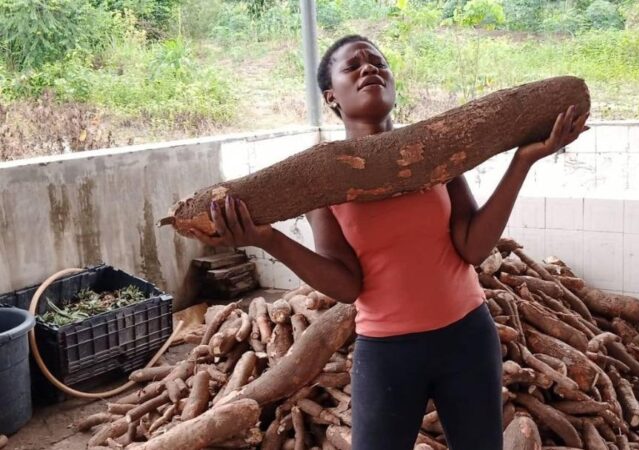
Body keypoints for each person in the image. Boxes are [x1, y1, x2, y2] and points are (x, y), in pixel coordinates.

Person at [188, 34, 588, 450]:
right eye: (353, 65)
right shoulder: (321, 178)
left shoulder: (431, 151)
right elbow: (347, 286)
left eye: (378, 62)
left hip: (468, 339)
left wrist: (522, 161)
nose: (369, 69)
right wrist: (268, 239)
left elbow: (473, 248)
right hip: (388, 352)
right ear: (331, 97)